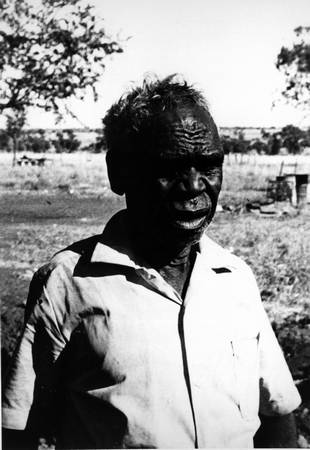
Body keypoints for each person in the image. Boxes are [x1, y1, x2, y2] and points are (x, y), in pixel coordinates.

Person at [2, 75, 301, 449]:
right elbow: (19, 428)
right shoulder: (67, 283)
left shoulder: (236, 279)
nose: (194, 186)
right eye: (170, 168)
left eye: (208, 166)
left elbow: (276, 415)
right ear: (119, 173)